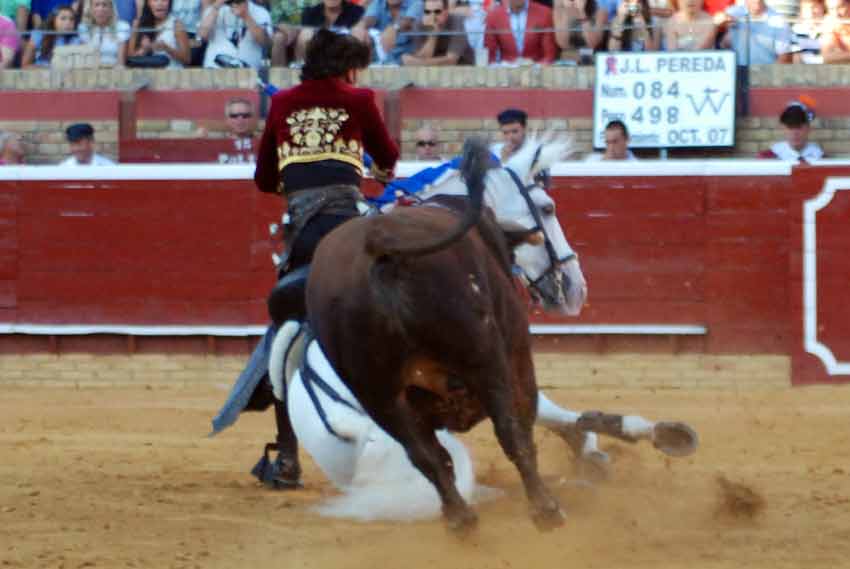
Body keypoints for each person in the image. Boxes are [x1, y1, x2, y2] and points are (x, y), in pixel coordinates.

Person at [212, 29, 399, 489]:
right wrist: (373, 169)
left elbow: (263, 177)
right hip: (349, 226)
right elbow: (389, 155)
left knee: (287, 329)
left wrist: (298, 186)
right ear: (347, 67)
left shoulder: (282, 104)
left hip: (305, 236)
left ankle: (289, 454)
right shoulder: (358, 98)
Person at [271, 0, 363, 66]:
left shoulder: (356, 11)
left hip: (343, 56)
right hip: (315, 55)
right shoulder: (310, 12)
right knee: (305, 34)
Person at [199, 0, 271, 69]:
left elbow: (265, 43)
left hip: (249, 73)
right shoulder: (214, 9)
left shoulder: (260, 12)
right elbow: (202, 35)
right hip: (214, 70)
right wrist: (217, 6)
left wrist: (246, 16)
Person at [715, 0, 793, 64]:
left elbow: (784, 57)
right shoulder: (734, 12)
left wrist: (770, 78)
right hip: (736, 72)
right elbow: (717, 21)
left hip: (765, 74)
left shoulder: (778, 21)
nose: (756, 1)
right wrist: (721, 20)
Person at [401, 0, 473, 65]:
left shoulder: (457, 21)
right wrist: (433, 35)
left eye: (437, 12)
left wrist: (419, 62)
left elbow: (451, 61)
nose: (432, 16)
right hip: (431, 72)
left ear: (446, 13)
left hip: (462, 70)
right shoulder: (419, 25)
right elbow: (422, 56)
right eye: (427, 12)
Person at [484, 0, 558, 64]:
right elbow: (489, 55)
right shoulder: (493, 16)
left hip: (537, 73)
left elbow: (549, 55)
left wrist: (537, 69)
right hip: (505, 73)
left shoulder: (544, 13)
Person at [351, 0, 422, 64]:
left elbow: (409, 20)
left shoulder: (416, 3)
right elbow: (370, 18)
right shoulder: (378, 2)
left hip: (407, 62)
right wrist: (361, 26)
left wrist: (394, 28)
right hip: (382, 62)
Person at [129, 0, 191, 67]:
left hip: (172, 73)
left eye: (164, 0)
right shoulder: (138, 24)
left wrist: (167, 48)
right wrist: (143, 50)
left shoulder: (176, 24)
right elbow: (130, 57)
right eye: (155, 0)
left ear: (170, 3)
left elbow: (187, 59)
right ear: (148, 3)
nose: (160, 3)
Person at [757, 100, 824, 162]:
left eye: (799, 127)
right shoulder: (769, 156)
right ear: (783, 129)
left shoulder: (820, 157)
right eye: (790, 127)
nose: (794, 133)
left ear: (808, 129)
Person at [77, 0, 131, 67]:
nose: (100, 9)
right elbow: (83, 61)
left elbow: (121, 63)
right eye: (96, 5)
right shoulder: (83, 28)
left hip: (114, 72)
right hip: (90, 71)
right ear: (90, 9)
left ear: (111, 9)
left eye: (104, 5)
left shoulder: (122, 27)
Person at [218, 96, 258, 163]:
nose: (240, 120)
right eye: (234, 116)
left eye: (245, 116)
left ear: (252, 119)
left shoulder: (263, 145)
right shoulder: (217, 145)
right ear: (227, 119)